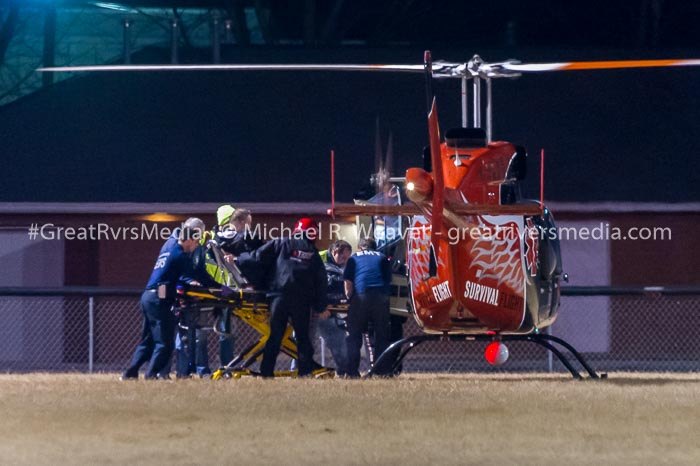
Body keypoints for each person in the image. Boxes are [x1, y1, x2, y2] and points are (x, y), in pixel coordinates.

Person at [237, 217, 327, 377]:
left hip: (279, 296)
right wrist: (320, 305)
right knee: (302, 337)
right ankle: (305, 372)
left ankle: (266, 372)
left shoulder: (281, 242)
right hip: (302, 300)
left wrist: (238, 259)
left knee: (276, 335)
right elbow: (321, 280)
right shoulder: (313, 253)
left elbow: (256, 257)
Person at [122, 218, 206, 380]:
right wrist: (224, 289)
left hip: (148, 295)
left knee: (148, 340)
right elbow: (197, 276)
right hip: (159, 297)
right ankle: (151, 375)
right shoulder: (180, 255)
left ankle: (130, 373)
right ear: (190, 238)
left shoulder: (170, 246)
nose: (197, 245)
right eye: (197, 241)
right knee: (165, 342)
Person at [343, 237, 392, 378]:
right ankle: (380, 371)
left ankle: (352, 372)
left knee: (354, 335)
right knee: (381, 335)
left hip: (361, 295)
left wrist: (349, 299)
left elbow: (348, 282)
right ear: (374, 248)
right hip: (381, 297)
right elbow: (388, 280)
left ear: (360, 247)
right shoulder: (382, 257)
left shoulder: (354, 257)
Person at [317, 240, 352, 376]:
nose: (345, 261)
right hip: (315, 308)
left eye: (347, 258)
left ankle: (344, 372)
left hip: (331, 308)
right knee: (304, 343)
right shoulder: (319, 259)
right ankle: (298, 371)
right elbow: (314, 286)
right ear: (335, 251)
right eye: (343, 257)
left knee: (338, 340)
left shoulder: (342, 265)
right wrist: (322, 306)